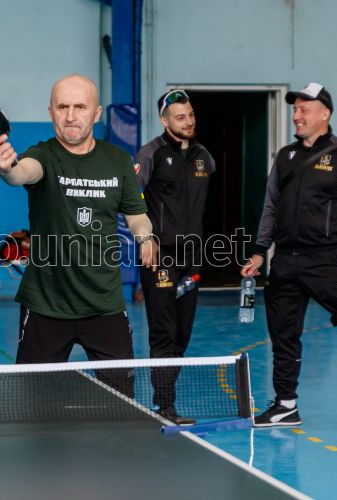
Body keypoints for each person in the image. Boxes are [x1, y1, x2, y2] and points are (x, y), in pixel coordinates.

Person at [0, 74, 157, 397]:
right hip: (47, 305)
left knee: (122, 402)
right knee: (32, 401)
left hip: (104, 304)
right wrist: (6, 167)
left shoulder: (118, 161)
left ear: (96, 113)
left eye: (80, 107)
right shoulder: (43, 155)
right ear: (50, 111)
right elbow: (22, 172)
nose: (70, 115)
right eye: (62, 107)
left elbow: (136, 214)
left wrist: (145, 237)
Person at [241, 82, 337, 434]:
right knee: (283, 335)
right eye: (294, 109)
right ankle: (286, 405)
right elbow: (271, 206)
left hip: (327, 260)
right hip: (285, 260)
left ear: (324, 114)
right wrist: (260, 251)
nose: (296, 116)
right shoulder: (285, 157)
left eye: (304, 109)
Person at [134, 89, 215, 425]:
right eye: (181, 117)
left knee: (182, 334)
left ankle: (166, 397)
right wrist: (146, 237)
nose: (188, 121)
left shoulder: (203, 157)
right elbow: (131, 197)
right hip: (160, 257)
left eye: (191, 115)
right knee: (164, 332)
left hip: (192, 257)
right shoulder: (150, 154)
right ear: (164, 121)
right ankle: (165, 405)